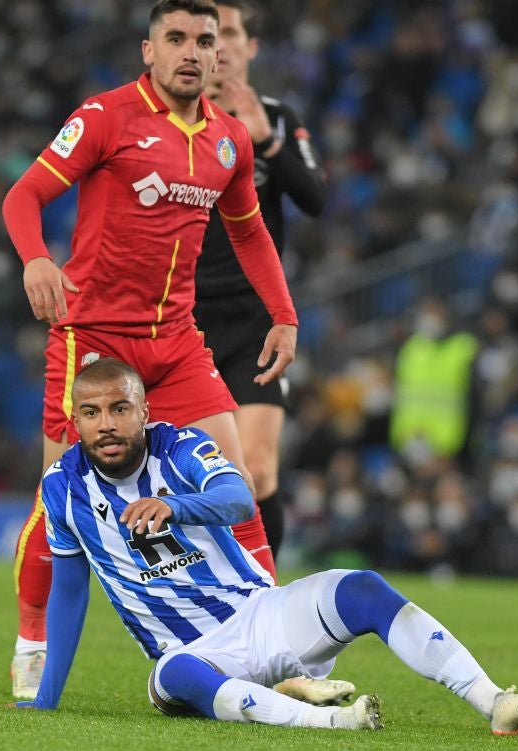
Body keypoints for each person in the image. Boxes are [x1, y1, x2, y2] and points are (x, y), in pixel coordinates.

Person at [13, 357, 518, 738]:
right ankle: (331, 722)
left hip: (260, 614)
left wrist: (176, 506)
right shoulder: (63, 487)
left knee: (362, 588)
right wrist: (47, 700)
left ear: (143, 411)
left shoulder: (178, 447)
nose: (106, 424)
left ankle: (496, 702)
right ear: (76, 421)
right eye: (91, 413)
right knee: (172, 674)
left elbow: (237, 499)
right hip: (192, 656)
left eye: (118, 409)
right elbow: (68, 591)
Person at [1, 0, 297, 700]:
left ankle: (279, 646)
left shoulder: (230, 140)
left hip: (176, 341)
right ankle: (31, 639)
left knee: (240, 489)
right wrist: (35, 259)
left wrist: (283, 315)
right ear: (148, 49)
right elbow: (25, 195)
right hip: (93, 339)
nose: (194, 51)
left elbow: (251, 233)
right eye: (176, 39)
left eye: (205, 39)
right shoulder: (106, 117)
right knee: (57, 507)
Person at [194, 0, 326, 558]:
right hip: (186, 319)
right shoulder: (176, 120)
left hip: (254, 319)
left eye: (228, 33)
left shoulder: (276, 115)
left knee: (258, 470)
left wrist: (266, 140)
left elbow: (315, 199)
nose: (218, 46)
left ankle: (263, 604)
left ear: (250, 46)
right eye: (208, 36)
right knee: (203, 477)